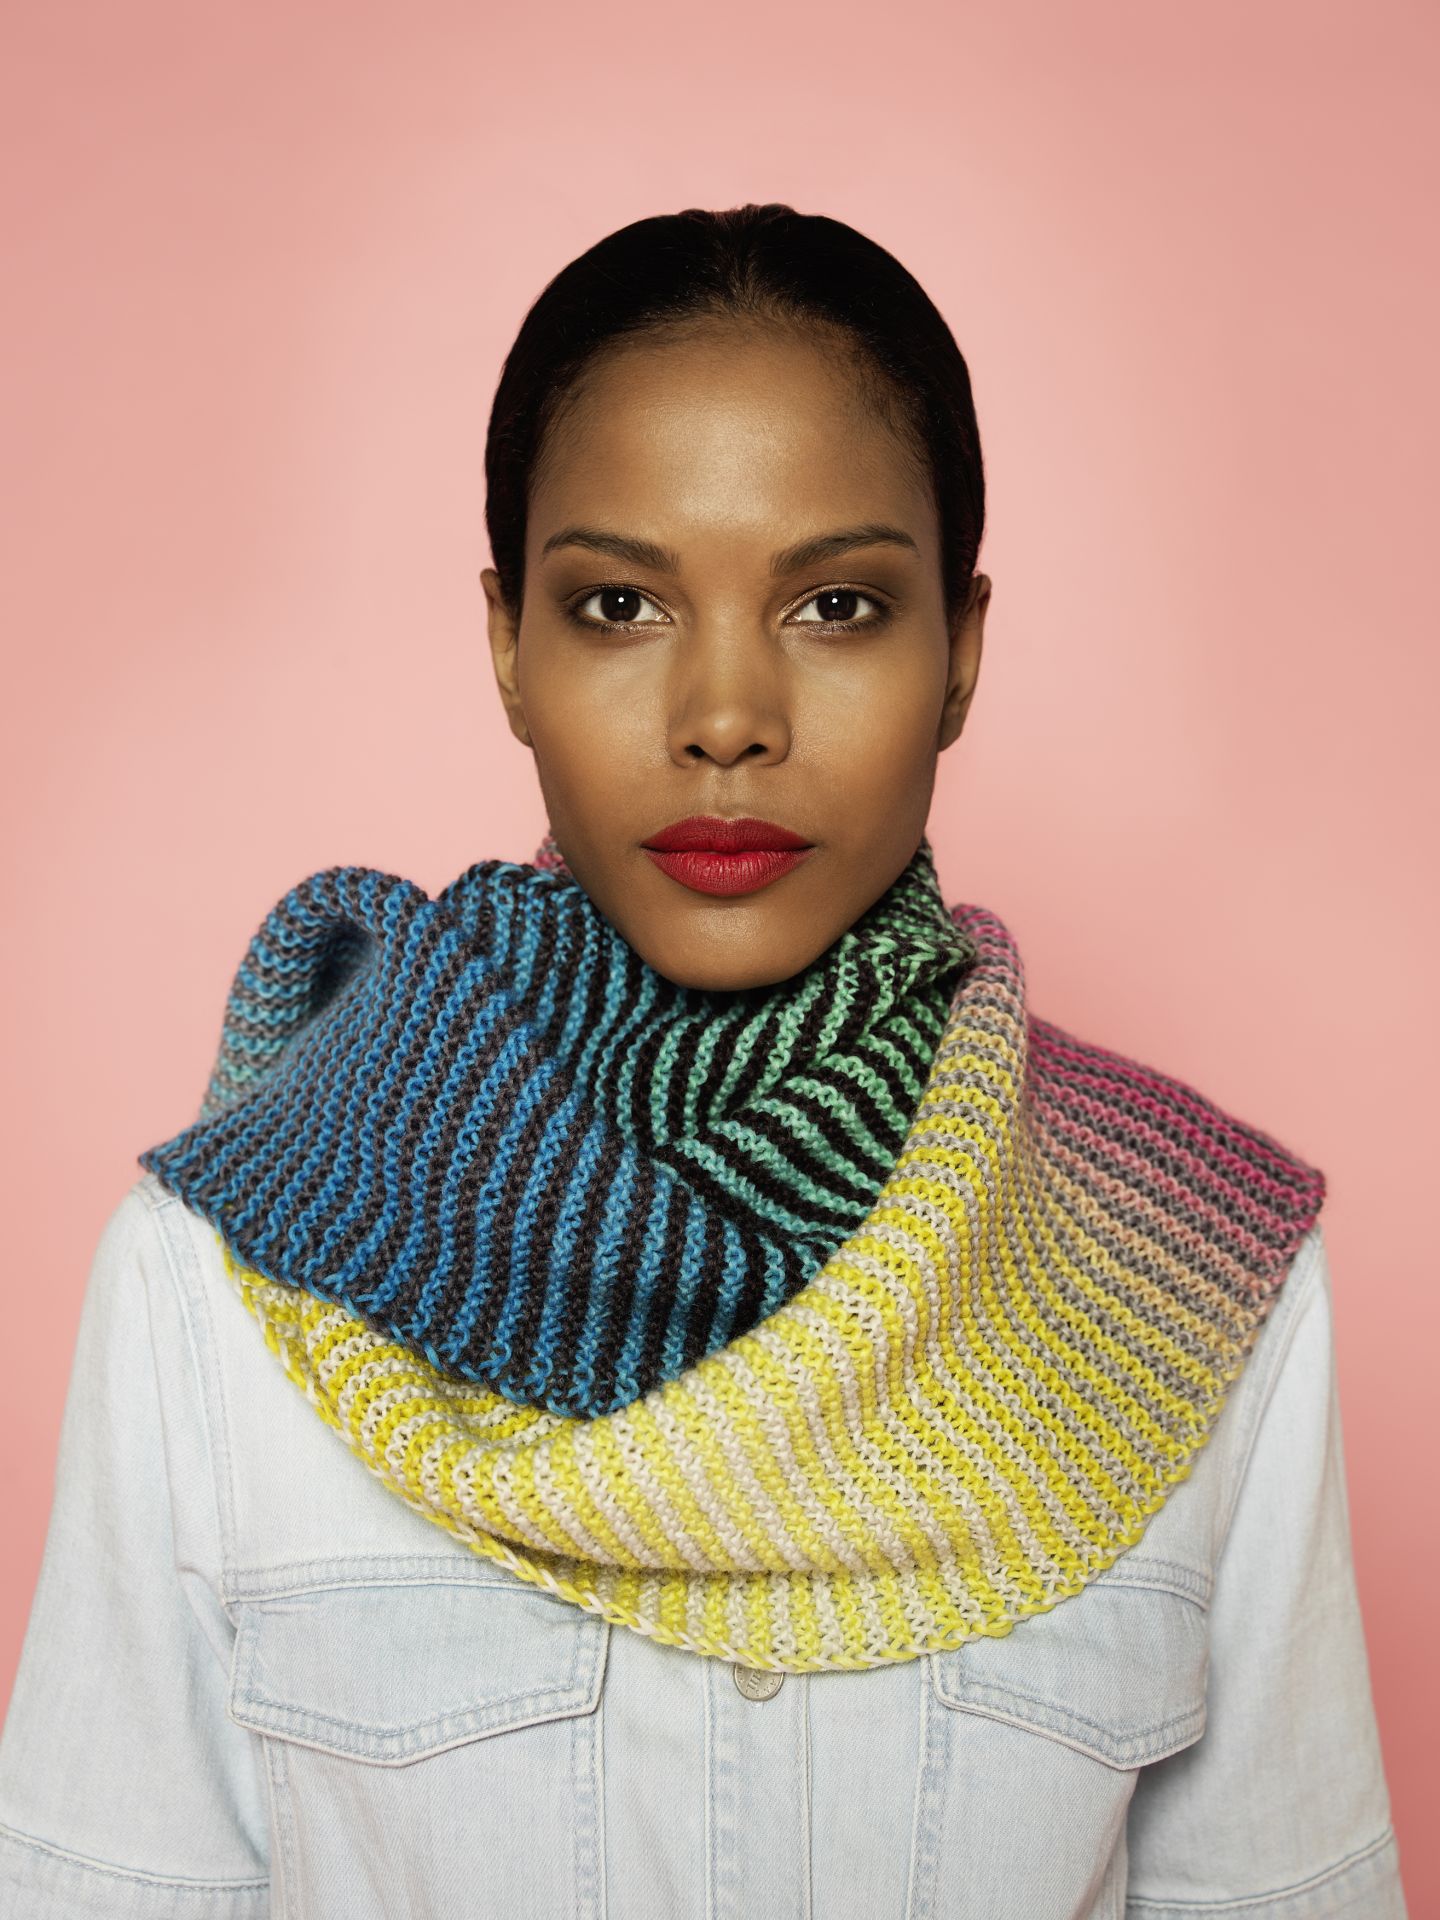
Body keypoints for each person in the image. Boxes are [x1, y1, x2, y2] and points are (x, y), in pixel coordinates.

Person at [0, 204, 1407, 1919]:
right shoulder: (220, 1279)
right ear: (508, 646)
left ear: (961, 652)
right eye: (618, 604)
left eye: (835, 604)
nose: (726, 716)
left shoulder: (1190, 1271)